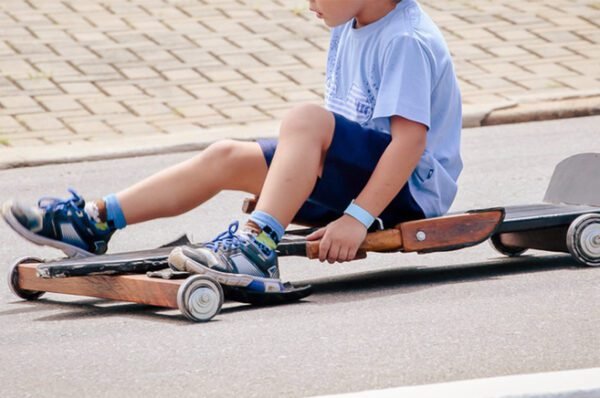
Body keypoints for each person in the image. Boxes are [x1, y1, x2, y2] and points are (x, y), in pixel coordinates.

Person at [2, 0, 462, 291]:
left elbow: (407, 143)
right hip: (366, 179)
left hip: (407, 197)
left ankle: (257, 248)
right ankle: (96, 222)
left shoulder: (404, 39)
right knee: (227, 155)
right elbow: (339, 139)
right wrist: (291, 187)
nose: (308, 4)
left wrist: (356, 219)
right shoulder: (349, 25)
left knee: (303, 119)